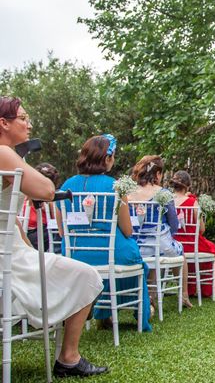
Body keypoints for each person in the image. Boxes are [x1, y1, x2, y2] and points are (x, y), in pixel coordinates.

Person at [0, 96, 107, 377]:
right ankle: (68, 357)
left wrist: (28, 249)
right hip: (6, 257)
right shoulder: (3, 152)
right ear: (3, 123)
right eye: (23, 118)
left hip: (10, 248)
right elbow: (47, 190)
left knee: (55, 265)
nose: (29, 124)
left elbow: (7, 219)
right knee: (88, 275)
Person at [60, 134, 153, 332]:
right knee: (137, 262)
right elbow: (127, 230)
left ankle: (103, 313)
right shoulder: (115, 187)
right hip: (111, 251)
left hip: (74, 254)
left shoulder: (66, 185)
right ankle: (137, 315)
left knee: (126, 259)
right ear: (107, 158)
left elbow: (62, 230)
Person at [128, 156, 192, 308]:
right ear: (157, 174)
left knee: (151, 253)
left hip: (135, 246)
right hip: (160, 245)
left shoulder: (129, 193)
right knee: (178, 251)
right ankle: (183, 295)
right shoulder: (163, 193)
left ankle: (150, 297)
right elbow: (174, 224)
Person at [170, 170, 215, 296]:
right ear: (187, 186)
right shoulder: (193, 203)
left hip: (173, 245)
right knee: (211, 247)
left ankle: (188, 287)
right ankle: (202, 289)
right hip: (191, 245)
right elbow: (202, 229)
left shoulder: (168, 202)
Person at [23, 162, 61, 250]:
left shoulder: (25, 194)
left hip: (24, 231)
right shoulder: (48, 200)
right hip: (39, 235)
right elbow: (54, 221)